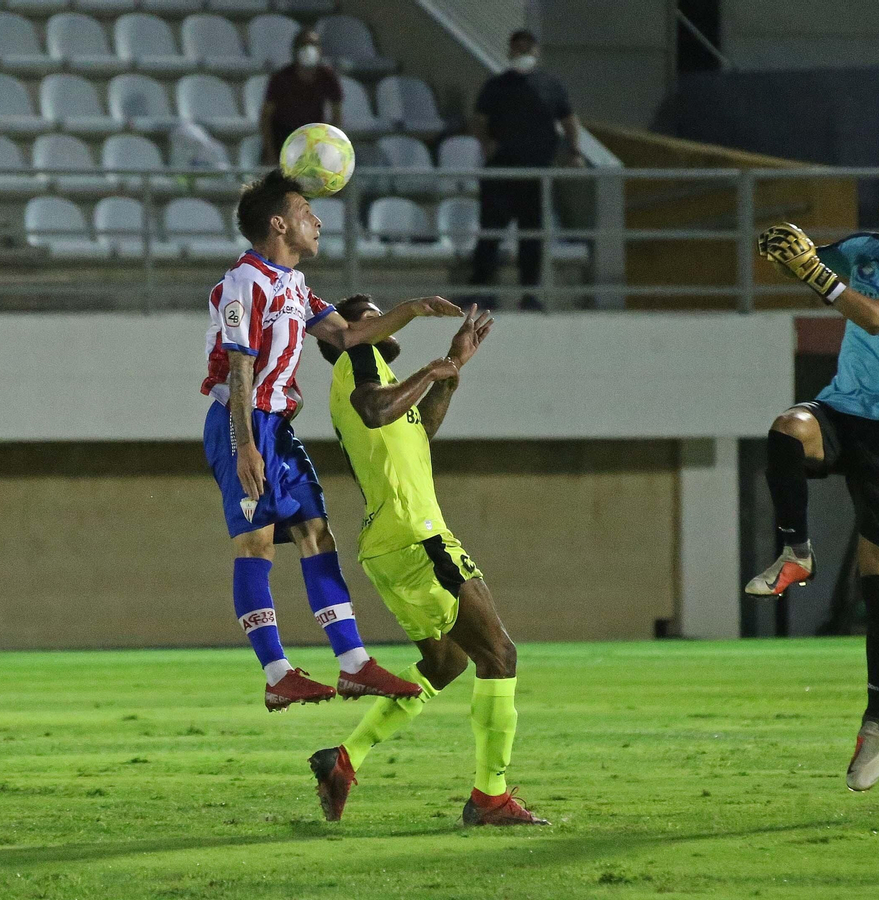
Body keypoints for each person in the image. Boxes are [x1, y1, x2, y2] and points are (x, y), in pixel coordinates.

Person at [743, 156, 879, 792]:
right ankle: (796, 552)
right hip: (842, 408)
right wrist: (790, 250)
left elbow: (877, 315)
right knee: (788, 428)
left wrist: (813, 271)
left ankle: (875, 725)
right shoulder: (868, 247)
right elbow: (818, 262)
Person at [201, 170, 462, 711]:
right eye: (305, 212)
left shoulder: (293, 285)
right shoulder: (243, 282)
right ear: (279, 223)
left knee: (317, 533)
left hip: (277, 424)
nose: (317, 221)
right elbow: (240, 368)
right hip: (241, 422)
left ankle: (353, 664)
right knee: (256, 543)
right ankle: (277, 673)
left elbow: (347, 334)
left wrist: (411, 310)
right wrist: (246, 444)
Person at [305, 295, 547, 827]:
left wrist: (450, 371)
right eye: (370, 313)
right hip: (418, 536)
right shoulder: (359, 359)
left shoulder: (373, 373)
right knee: (499, 655)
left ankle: (345, 759)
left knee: (447, 663)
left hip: (389, 543)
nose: (382, 318)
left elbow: (417, 431)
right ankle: (491, 798)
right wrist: (428, 369)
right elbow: (377, 409)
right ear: (346, 331)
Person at [468, 29, 580, 311]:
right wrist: (487, 146)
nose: (523, 54)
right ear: (510, 52)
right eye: (518, 49)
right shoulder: (497, 85)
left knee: (532, 237)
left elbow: (568, 120)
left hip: (536, 174)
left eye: (527, 49)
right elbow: (479, 119)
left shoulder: (551, 85)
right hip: (501, 173)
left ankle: (530, 294)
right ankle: (481, 292)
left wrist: (574, 151)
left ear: (537, 52)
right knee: (490, 233)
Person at [258, 28, 343, 164]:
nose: (309, 49)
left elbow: (337, 115)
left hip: (313, 137)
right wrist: (270, 153)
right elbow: (265, 117)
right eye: (304, 44)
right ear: (295, 50)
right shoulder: (281, 78)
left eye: (314, 44)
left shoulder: (327, 77)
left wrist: (327, 145)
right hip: (283, 137)